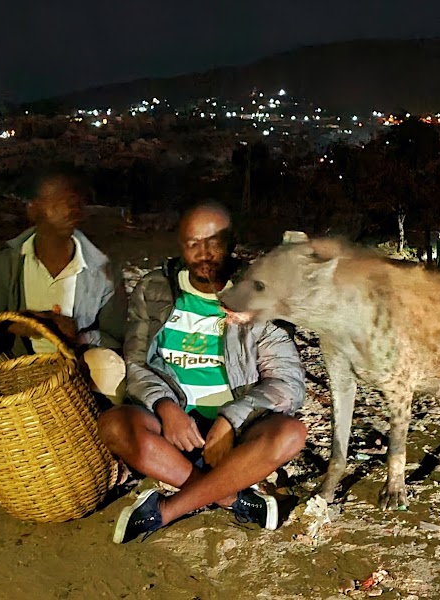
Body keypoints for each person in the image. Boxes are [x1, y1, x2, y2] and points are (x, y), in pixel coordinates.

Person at [98, 202, 306, 543]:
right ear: (181, 246)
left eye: (214, 242)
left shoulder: (260, 295)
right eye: (193, 243)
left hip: (239, 429)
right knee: (114, 425)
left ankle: (166, 510)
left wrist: (230, 421)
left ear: (232, 242)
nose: (204, 253)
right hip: (174, 427)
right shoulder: (155, 290)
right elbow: (136, 362)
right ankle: (233, 498)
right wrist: (166, 407)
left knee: (292, 433)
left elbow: (287, 381)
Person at [0, 174, 127, 401]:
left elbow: (118, 337)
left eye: (73, 201)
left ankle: (96, 431)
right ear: (33, 210)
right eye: (57, 202)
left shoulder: (101, 269)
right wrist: (20, 324)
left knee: (109, 365)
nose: (69, 208)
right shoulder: (11, 262)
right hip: (19, 367)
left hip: (76, 367)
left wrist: (80, 337)